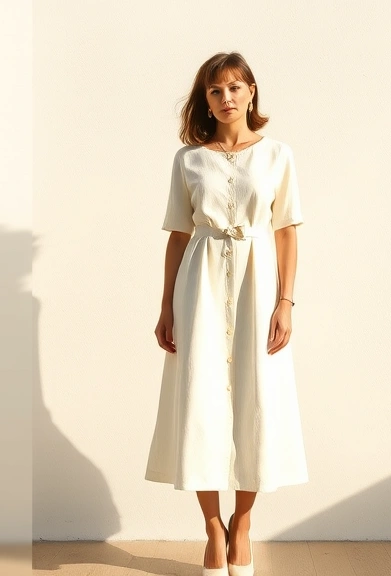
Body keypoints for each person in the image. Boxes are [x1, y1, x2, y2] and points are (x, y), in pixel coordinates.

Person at [144, 52, 309, 576]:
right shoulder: (188, 160)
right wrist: (167, 303)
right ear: (206, 100)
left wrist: (285, 301)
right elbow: (178, 233)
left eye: (235, 87)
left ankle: (243, 524)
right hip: (201, 288)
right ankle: (213, 527)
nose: (227, 98)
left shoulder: (279, 155)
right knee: (201, 403)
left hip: (259, 285)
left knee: (257, 400)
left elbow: (286, 231)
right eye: (216, 91)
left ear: (252, 92)